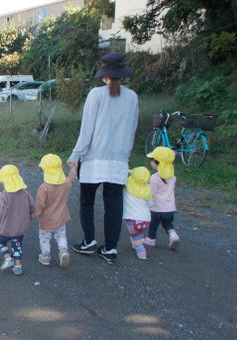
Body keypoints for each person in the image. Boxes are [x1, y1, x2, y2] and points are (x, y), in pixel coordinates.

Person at [67, 52, 138, 263]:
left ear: (105, 74)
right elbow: (132, 130)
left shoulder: (96, 95)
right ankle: (110, 248)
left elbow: (87, 130)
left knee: (87, 201)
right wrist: (126, 156)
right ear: (122, 74)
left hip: (93, 160)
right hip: (118, 161)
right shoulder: (132, 97)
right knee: (114, 204)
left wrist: (75, 155)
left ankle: (88, 242)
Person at [32, 154, 76, 268]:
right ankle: (63, 251)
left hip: (46, 220)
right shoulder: (65, 183)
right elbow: (71, 179)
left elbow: (39, 206)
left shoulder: (44, 188)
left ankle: (45, 256)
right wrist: (74, 168)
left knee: (45, 238)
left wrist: (32, 215)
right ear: (60, 169)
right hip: (61, 218)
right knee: (61, 236)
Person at [0, 164, 35, 276]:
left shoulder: (4, 196)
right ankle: (18, 267)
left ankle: (8, 258)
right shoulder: (25, 193)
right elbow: (33, 207)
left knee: (0, 242)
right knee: (17, 247)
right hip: (20, 229)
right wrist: (29, 217)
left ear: (2, 181)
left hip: (6, 229)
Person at [143, 147, 180, 250]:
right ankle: (173, 235)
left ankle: (151, 239)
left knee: (153, 224)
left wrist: (147, 203)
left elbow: (152, 194)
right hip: (170, 208)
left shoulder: (154, 178)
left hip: (157, 208)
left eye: (152, 160)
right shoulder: (173, 178)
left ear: (156, 162)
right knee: (168, 223)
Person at [123, 167, 152, 260]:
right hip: (146, 219)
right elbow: (151, 204)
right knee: (139, 232)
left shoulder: (127, 187)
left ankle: (141, 251)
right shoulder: (147, 190)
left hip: (132, 218)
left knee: (135, 235)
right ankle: (136, 244)